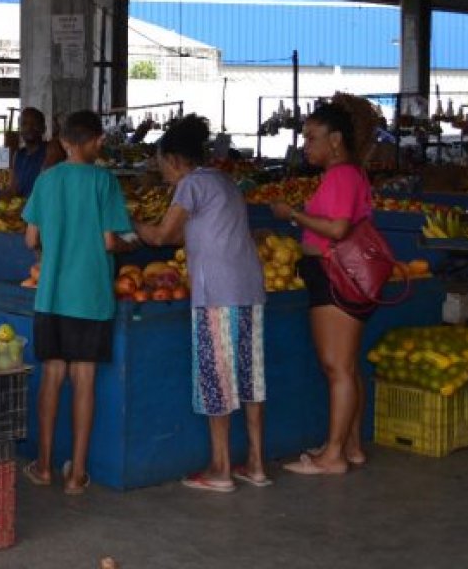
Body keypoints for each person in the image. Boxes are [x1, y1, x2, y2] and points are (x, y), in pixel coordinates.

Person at [136, 115, 269, 492]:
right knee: (251, 380)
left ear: (176, 160)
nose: (161, 173)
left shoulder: (190, 184)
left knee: (217, 380)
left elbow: (163, 235)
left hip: (217, 295)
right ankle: (257, 465)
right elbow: (195, 234)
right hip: (250, 290)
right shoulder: (223, 181)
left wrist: (127, 223)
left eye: (162, 165)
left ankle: (221, 468)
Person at [21, 110, 134, 495]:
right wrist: (127, 242)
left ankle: (44, 466)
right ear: (97, 141)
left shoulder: (46, 181)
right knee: (84, 379)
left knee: (52, 375)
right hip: (91, 296)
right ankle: (76, 475)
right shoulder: (105, 182)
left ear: (65, 141)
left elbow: (30, 240)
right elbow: (109, 241)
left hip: (51, 294)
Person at [269, 94, 381, 476]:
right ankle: (350, 447)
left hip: (335, 278)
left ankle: (332, 455)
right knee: (346, 367)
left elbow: (337, 228)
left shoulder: (341, 175)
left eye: (312, 137)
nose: (306, 145)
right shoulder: (349, 175)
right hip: (344, 277)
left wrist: (293, 214)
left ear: (335, 140)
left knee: (336, 368)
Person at [9, 107, 60, 198]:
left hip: (42, 208)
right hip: (21, 209)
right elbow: (13, 189)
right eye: (24, 124)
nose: (29, 127)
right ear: (20, 129)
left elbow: (45, 187)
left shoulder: (51, 149)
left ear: (43, 128)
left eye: (34, 123)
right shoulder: (18, 155)